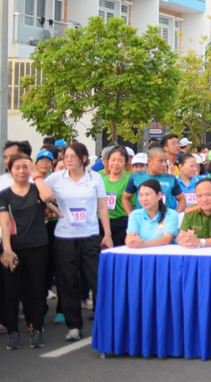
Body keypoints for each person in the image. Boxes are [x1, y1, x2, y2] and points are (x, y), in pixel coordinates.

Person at [46, 143, 111, 342]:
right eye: (65, 156)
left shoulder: (95, 178)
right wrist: (55, 210)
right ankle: (74, 326)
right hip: (64, 237)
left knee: (96, 279)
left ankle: (104, 322)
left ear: (83, 158)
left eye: (72, 156)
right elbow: (39, 194)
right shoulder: (56, 178)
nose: (68, 159)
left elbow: (102, 207)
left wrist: (107, 234)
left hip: (90, 235)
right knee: (68, 281)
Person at [0, 153, 55, 349]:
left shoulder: (37, 190)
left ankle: (37, 329)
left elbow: (48, 197)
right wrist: (7, 250)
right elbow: (5, 224)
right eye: (17, 167)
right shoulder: (4, 195)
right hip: (13, 250)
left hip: (38, 248)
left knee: (37, 290)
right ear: (10, 170)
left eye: (25, 167)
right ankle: (13, 332)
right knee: (11, 291)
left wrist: (35, 174)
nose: (21, 171)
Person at [123, 148, 185, 214]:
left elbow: (182, 199)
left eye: (165, 161)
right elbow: (125, 198)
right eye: (160, 161)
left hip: (165, 219)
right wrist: (131, 216)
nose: (164, 164)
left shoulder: (171, 179)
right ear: (149, 161)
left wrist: (175, 216)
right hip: (143, 219)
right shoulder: (136, 177)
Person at [124, 179, 179, 248]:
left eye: (148, 194)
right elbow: (130, 237)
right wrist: (131, 241)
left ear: (159, 195)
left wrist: (143, 244)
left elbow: (166, 239)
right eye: (140, 195)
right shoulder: (135, 215)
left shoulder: (171, 214)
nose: (144, 199)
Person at [100, 147, 131, 246]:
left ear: (125, 164)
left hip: (120, 224)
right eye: (113, 160)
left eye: (120, 161)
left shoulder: (129, 182)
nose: (115, 163)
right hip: (100, 223)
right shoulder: (100, 181)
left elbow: (132, 206)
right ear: (107, 161)